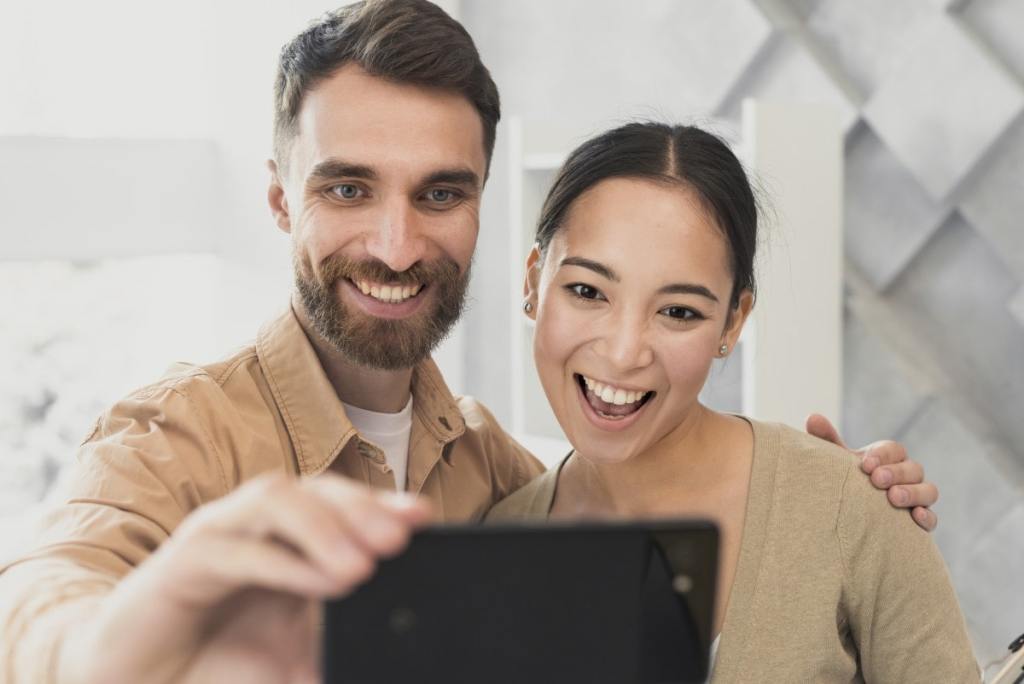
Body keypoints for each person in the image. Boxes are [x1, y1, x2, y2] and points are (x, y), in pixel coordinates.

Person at [0, 2, 938, 682]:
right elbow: (45, 593)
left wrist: (838, 502)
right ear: (282, 197)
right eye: (347, 188)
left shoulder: (492, 477)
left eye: (440, 193)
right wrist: (107, 647)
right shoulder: (178, 437)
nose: (398, 245)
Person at [487, 122, 980, 681]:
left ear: (733, 320)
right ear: (533, 282)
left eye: (678, 311)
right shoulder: (498, 542)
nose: (624, 354)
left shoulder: (852, 508)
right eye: (587, 291)